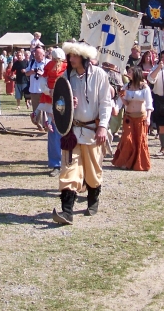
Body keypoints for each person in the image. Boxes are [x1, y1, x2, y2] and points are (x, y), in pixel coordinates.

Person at [52, 41, 112, 225]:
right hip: (72, 132)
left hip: (92, 131)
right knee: (69, 170)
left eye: (75, 56)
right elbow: (59, 103)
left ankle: (93, 200)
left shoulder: (99, 75)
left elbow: (105, 102)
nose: (71, 59)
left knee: (93, 172)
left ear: (84, 58)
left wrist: (102, 126)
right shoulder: (66, 77)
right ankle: (67, 212)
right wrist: (68, 104)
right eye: (70, 56)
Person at [112, 66, 153, 170]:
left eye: (130, 71)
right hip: (129, 117)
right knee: (127, 139)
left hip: (140, 117)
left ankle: (138, 163)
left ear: (136, 73)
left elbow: (149, 103)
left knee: (140, 140)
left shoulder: (144, 87)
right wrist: (117, 107)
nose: (128, 73)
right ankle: (125, 162)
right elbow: (122, 102)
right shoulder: (126, 86)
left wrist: (148, 117)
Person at [38, 47, 67, 176]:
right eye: (54, 59)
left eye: (58, 59)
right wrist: (48, 91)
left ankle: (68, 163)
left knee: (67, 132)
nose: (56, 62)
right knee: (53, 131)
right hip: (51, 101)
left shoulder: (68, 67)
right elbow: (43, 82)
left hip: (65, 102)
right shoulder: (48, 66)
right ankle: (56, 164)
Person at [27, 45, 49, 130]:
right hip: (34, 89)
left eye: (38, 55)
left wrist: (41, 73)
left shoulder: (48, 62)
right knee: (37, 108)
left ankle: (45, 124)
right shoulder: (32, 62)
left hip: (45, 89)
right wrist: (32, 72)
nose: (36, 56)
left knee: (46, 108)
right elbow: (26, 73)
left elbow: (50, 74)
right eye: (35, 54)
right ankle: (38, 123)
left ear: (43, 55)